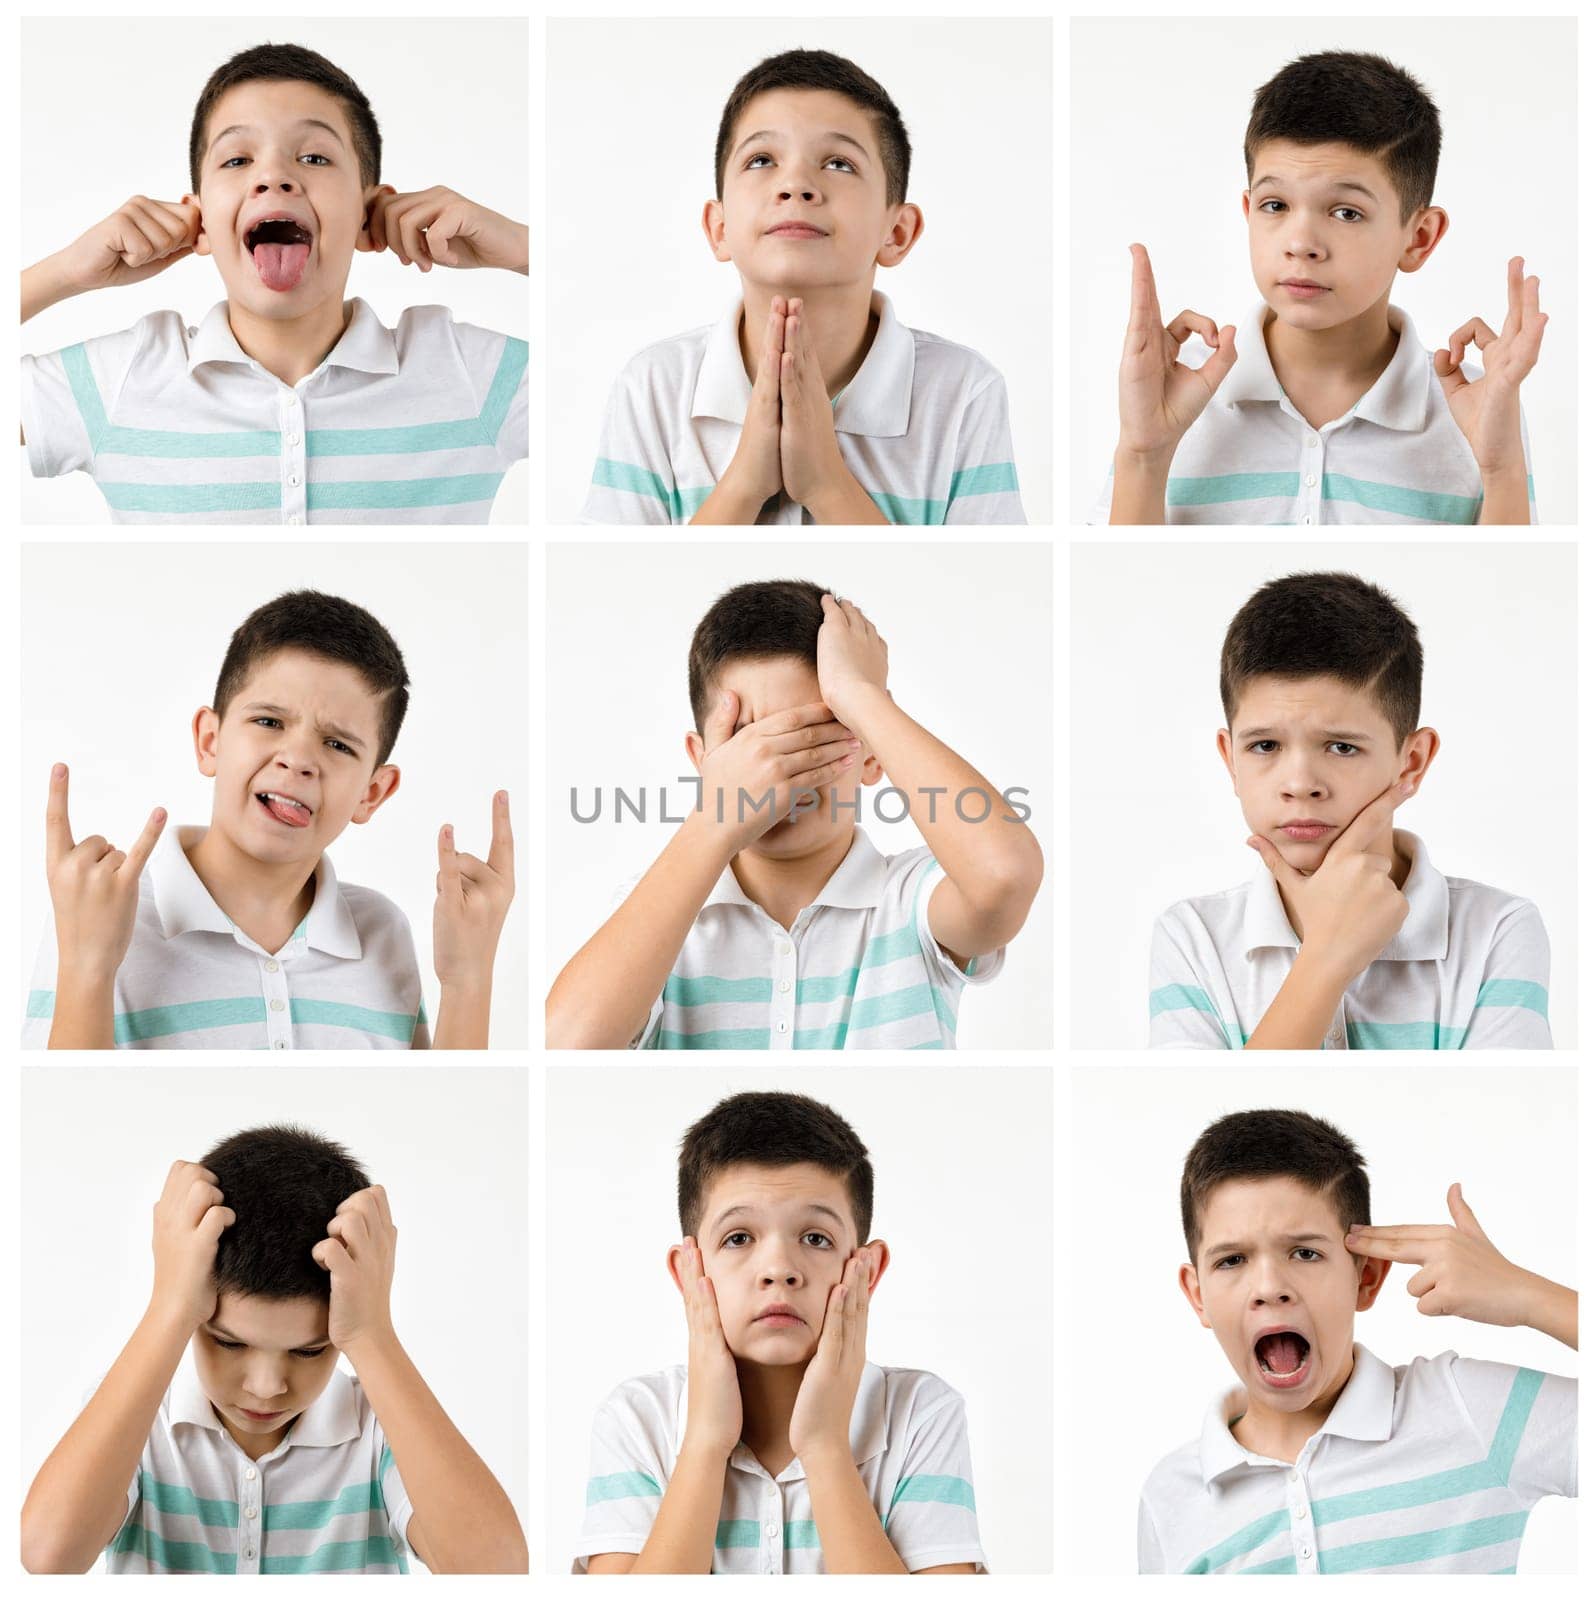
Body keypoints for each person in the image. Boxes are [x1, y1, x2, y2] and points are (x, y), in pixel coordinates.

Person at [21, 42, 528, 524]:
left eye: (314, 158)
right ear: (198, 220)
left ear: (368, 213)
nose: (273, 178)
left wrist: (523, 248)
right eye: (237, 160)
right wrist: (66, 272)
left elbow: (596, 370)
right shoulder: (125, 377)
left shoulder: (466, 374)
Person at [547, 580, 1041, 1048]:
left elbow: (1004, 875)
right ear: (702, 762)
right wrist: (715, 818)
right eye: (747, 742)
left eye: (816, 736)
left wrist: (860, 697)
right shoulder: (660, 913)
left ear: (873, 755)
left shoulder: (912, 901)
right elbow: (564, 1049)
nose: (777, 770)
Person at [21, 1124, 527, 1574]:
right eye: (228, 1342)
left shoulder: (379, 1429)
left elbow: (496, 1572)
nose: (266, 1387)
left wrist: (372, 1334)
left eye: (309, 1351)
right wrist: (168, 1307)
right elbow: (47, 1556)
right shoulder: (135, 1417)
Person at [25, 589, 514, 1049]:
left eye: (338, 745)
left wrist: (468, 979)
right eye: (269, 722)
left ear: (372, 792)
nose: (298, 758)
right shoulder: (102, 908)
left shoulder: (382, 931)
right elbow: (57, 1114)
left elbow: (428, 1121)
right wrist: (89, 964)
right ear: (210, 741)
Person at [1096, 51, 1544, 526]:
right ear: (1248, 212)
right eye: (1275, 205)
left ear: (1418, 237)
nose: (1300, 243)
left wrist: (1501, 469)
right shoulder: (1174, 392)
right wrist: (1143, 453)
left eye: (1345, 212)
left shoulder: (1475, 407)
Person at [582, 49, 1023, 525]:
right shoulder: (654, 386)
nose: (795, 184)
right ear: (719, 227)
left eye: (838, 163)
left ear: (897, 233)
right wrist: (745, 484)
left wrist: (826, 484)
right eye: (761, 159)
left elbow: (944, 589)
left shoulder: (962, 393)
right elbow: (650, 587)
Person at [1140, 1109, 1576, 1574]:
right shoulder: (1170, 1498)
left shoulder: (1469, 1411)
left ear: (1365, 1278)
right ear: (1197, 1294)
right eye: (1231, 1261)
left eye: (1305, 1253)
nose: (1269, 1286)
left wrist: (1528, 1296)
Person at [574, 1091, 985, 1573]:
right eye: (739, 1238)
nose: (778, 1269)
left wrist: (825, 1445)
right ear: (689, 1273)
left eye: (815, 1238)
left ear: (866, 1272)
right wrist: (706, 1439)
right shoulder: (640, 1418)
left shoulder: (921, 1413)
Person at [1149, 572, 1549, 1049]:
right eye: (1265, 745)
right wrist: (1326, 958)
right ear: (1230, 758)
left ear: (1412, 761)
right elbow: (1234, 1107)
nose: (1300, 785)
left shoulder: (1497, 930)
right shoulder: (1193, 937)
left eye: (1341, 747)